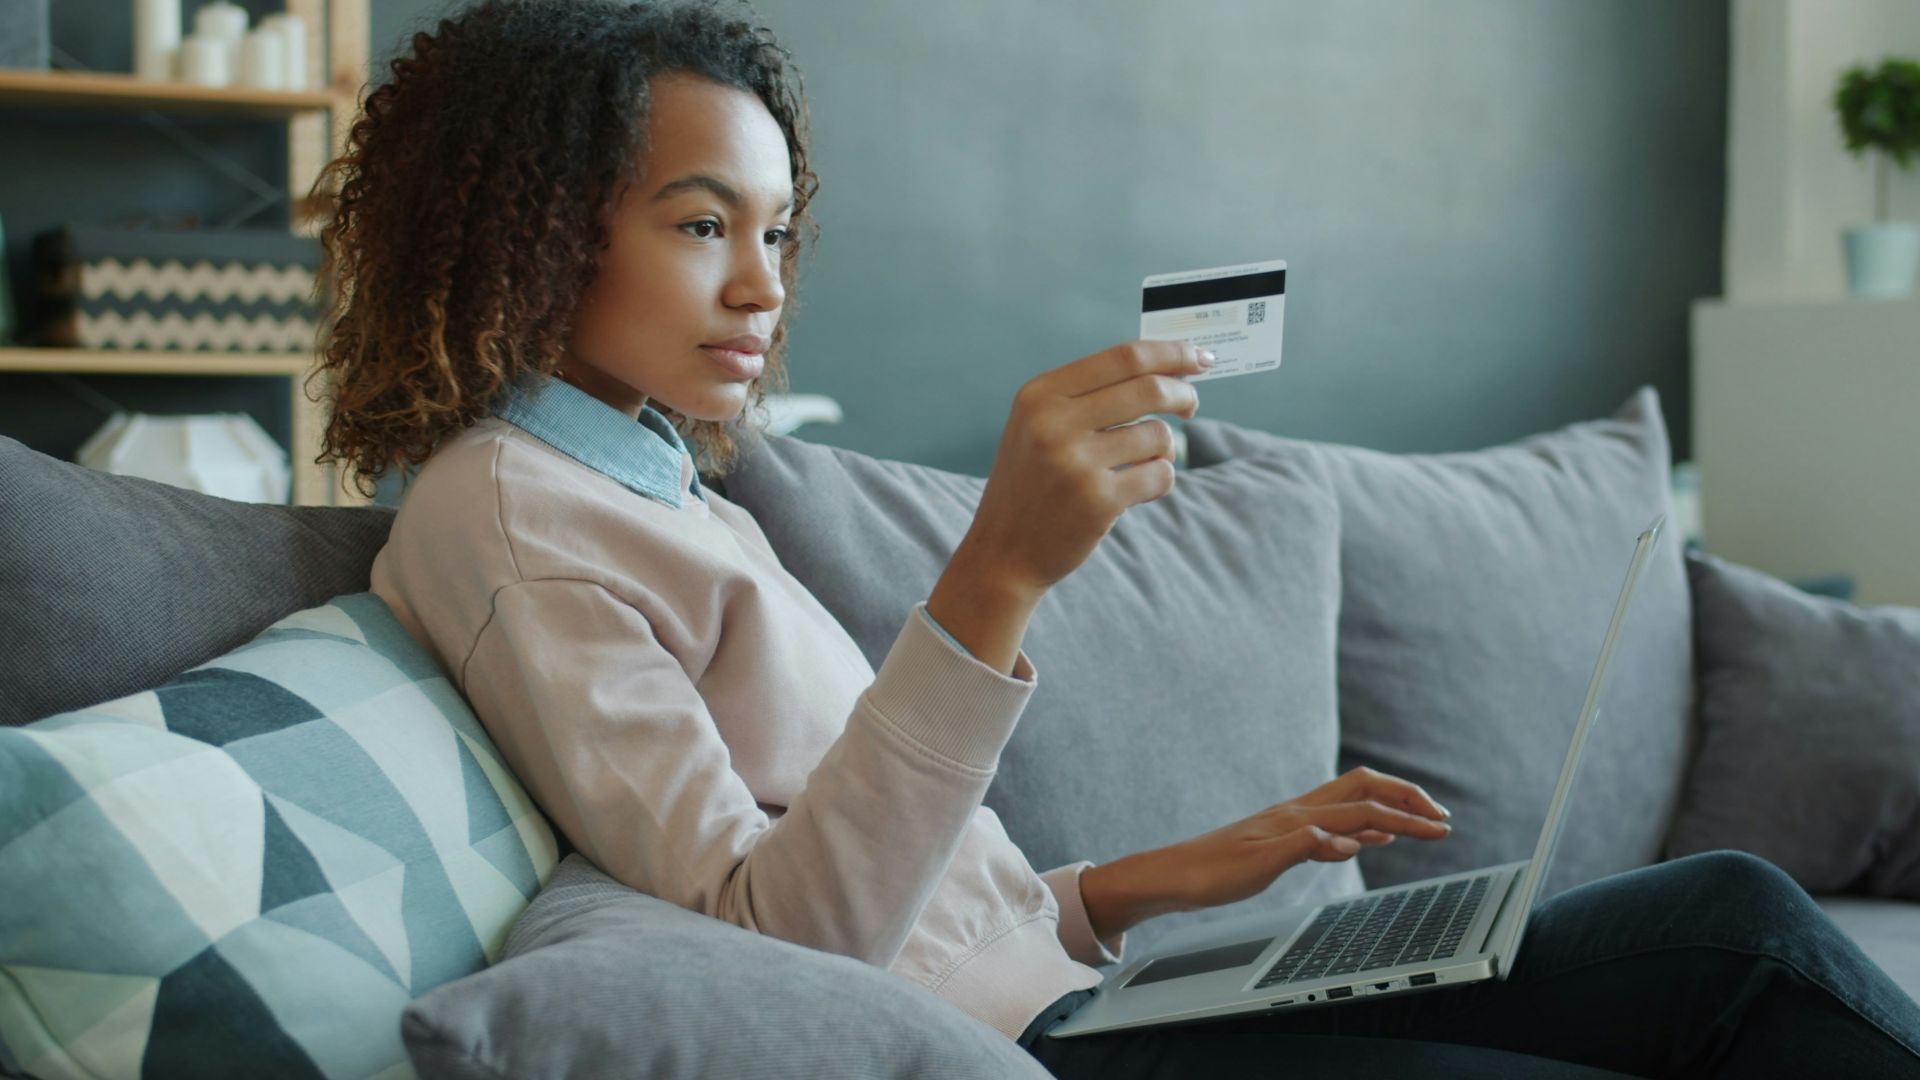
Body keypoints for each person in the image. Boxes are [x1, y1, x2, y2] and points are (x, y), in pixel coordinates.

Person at [311, 1, 1920, 1075]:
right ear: (532, 227)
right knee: (1731, 937)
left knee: (1723, 918)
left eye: (778, 231)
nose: (763, 284)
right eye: (701, 223)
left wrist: (1203, 865)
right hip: (1078, 1055)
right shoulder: (507, 517)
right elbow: (782, 939)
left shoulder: (649, 484)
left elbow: (935, 904)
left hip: (1112, 1000)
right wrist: (995, 575)